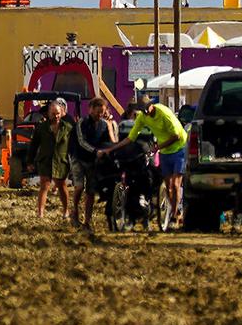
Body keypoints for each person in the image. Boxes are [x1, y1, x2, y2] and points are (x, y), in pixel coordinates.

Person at [101, 100, 188, 227]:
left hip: (179, 148)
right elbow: (131, 138)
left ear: (152, 105)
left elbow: (177, 136)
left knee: (175, 185)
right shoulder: (142, 117)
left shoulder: (164, 114)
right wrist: (112, 148)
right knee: (168, 186)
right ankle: (173, 211)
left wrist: (156, 148)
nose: (146, 112)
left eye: (147, 108)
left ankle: (175, 216)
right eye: (143, 110)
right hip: (165, 151)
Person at [69, 97, 114, 230]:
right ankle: (75, 210)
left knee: (91, 191)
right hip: (78, 157)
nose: (99, 115)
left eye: (102, 112)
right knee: (79, 187)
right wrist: (96, 151)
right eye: (97, 111)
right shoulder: (81, 123)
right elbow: (81, 142)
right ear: (91, 109)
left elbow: (109, 143)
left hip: (93, 161)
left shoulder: (104, 125)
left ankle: (87, 221)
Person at [27, 101, 72, 221]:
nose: (56, 116)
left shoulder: (68, 128)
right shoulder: (41, 128)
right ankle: (40, 213)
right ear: (48, 114)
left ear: (62, 113)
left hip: (61, 161)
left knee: (61, 186)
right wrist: (30, 161)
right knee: (44, 186)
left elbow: (74, 146)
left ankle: (66, 210)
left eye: (57, 113)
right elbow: (34, 145)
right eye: (53, 114)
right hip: (45, 160)